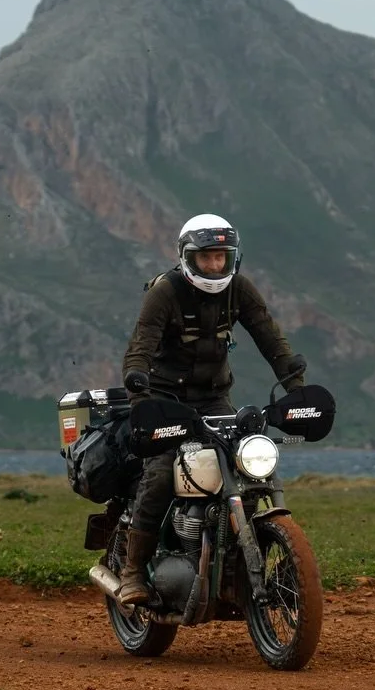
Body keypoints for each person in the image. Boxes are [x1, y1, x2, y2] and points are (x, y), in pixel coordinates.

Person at [117, 213, 306, 605]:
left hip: (215, 398)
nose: (215, 265)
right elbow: (140, 348)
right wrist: (141, 398)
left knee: (245, 467)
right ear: (188, 257)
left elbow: (271, 339)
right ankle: (133, 571)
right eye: (207, 257)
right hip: (165, 399)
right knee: (161, 473)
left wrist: (297, 388)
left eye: (222, 257)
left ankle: (238, 563)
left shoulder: (240, 289)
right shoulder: (165, 292)